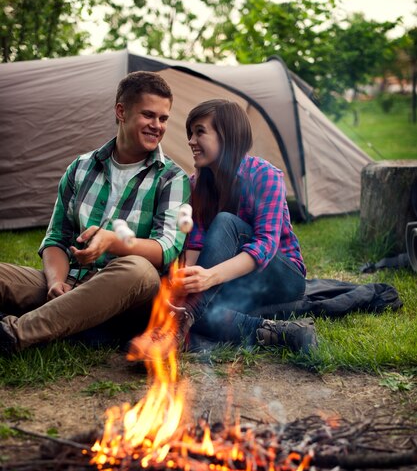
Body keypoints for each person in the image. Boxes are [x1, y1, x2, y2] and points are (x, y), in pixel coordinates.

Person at [0, 71, 190, 355]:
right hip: (71, 281)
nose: (157, 126)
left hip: (127, 294)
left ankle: (13, 334)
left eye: (163, 118)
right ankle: (66, 317)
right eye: (149, 115)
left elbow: (166, 248)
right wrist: (55, 283)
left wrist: (113, 242)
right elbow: (56, 238)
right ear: (121, 112)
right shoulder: (80, 167)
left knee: (139, 270)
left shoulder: (172, 178)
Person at [133, 98, 317, 359]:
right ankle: (286, 333)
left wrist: (211, 277)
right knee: (201, 308)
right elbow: (195, 244)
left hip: (281, 276)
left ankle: (175, 326)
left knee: (226, 222)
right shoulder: (196, 184)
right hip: (233, 278)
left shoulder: (264, 175)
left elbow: (265, 245)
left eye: (200, 132)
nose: (191, 141)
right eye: (190, 133)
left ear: (227, 135)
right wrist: (184, 285)